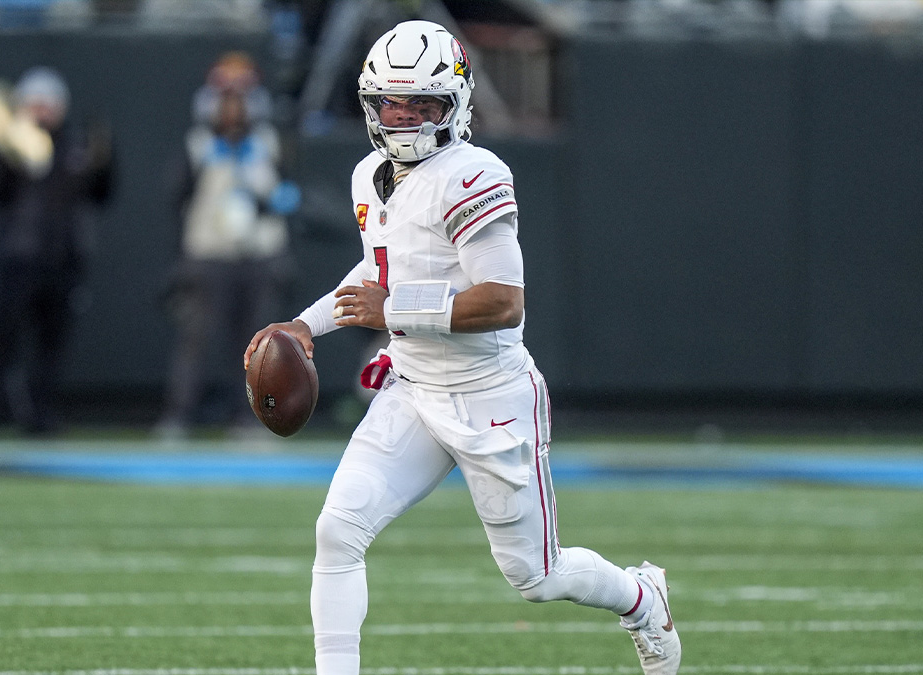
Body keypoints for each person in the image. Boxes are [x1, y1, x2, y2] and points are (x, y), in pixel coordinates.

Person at [245, 20, 681, 675]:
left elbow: (503, 300)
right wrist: (308, 325)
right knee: (338, 529)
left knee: (536, 575)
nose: (404, 117)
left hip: (490, 394)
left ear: (456, 104)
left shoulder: (474, 174)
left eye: (423, 104)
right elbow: (377, 269)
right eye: (392, 103)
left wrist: (397, 310)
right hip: (415, 389)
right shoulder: (371, 176)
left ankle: (643, 597)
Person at [157, 52, 300, 438]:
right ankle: (179, 416)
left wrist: (270, 201)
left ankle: (251, 418)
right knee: (196, 342)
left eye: (241, 101)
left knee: (259, 347)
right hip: (210, 256)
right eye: (226, 102)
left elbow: (288, 192)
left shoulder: (269, 144)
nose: (234, 111)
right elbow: (177, 201)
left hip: (259, 255)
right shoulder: (198, 146)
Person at [0, 66, 113, 435]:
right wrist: (9, 153)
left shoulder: (77, 145)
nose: (43, 111)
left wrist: (105, 160)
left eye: (49, 104)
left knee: (52, 343)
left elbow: (101, 194)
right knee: (2, 336)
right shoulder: (12, 146)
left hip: (64, 259)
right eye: (35, 104)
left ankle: (41, 415)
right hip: (20, 257)